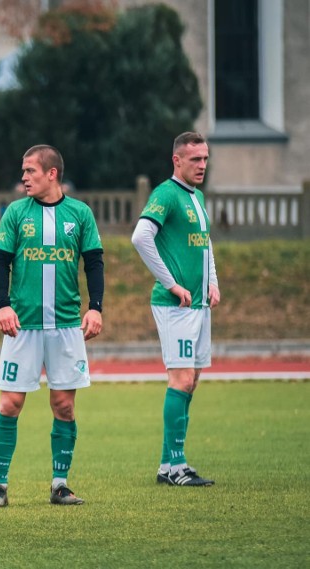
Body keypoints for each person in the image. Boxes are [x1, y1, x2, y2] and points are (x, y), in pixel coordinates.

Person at [0, 144, 104, 508]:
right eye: (23, 171)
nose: (24, 178)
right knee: (10, 404)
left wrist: (95, 308)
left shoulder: (80, 214)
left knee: (64, 406)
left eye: (30, 171)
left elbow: (94, 263)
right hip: (23, 326)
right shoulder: (16, 213)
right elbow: (1, 263)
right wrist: (3, 305)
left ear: (52, 174)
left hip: (66, 326)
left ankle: (60, 484)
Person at [131, 131, 220, 487]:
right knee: (180, 379)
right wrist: (170, 283)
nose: (202, 165)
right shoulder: (166, 194)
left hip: (199, 304)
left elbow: (204, 243)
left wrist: (213, 281)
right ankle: (178, 466)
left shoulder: (196, 197)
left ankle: (169, 465)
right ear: (177, 161)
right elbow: (140, 237)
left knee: (192, 381)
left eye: (205, 158)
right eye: (195, 159)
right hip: (175, 305)